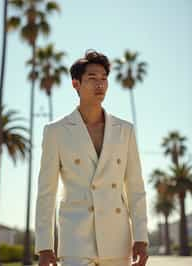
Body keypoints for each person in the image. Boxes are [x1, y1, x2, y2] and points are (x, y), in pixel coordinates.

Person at [35, 49, 149, 266]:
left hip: (117, 240)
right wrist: (44, 245)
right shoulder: (56, 131)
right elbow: (46, 192)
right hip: (75, 241)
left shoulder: (125, 130)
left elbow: (135, 187)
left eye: (104, 79)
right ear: (75, 84)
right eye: (92, 78)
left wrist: (141, 238)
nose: (100, 85)